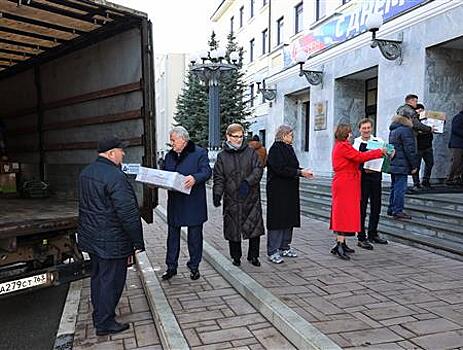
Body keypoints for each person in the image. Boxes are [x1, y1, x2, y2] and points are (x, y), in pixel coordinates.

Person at [77, 137, 145, 336]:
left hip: (93, 238)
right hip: (112, 240)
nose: (123, 154)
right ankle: (105, 322)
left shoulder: (86, 172)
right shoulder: (115, 176)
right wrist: (137, 241)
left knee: (98, 277)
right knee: (111, 281)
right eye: (121, 151)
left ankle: (100, 315)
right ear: (111, 153)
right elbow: (128, 213)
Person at [161, 126, 212, 281]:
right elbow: (164, 173)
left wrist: (195, 178)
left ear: (183, 139)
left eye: (173, 140)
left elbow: (207, 172)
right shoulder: (169, 156)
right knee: (172, 237)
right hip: (175, 202)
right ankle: (171, 267)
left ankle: (194, 267)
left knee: (195, 237)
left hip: (193, 202)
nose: (171, 143)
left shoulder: (199, 153)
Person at [213, 124, 265, 267]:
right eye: (235, 136)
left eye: (241, 136)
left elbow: (258, 169)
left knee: (254, 228)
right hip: (232, 198)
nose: (239, 139)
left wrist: (248, 183)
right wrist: (217, 194)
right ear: (228, 137)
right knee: (233, 229)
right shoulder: (222, 156)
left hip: (251, 197)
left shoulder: (251, 153)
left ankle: (253, 256)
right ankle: (236, 257)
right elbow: (219, 177)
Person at [330, 124, 385, 260]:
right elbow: (359, 157)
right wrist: (379, 152)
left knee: (345, 212)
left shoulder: (341, 145)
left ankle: (342, 243)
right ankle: (339, 244)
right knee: (343, 213)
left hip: (347, 182)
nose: (351, 135)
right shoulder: (343, 146)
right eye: (349, 133)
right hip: (345, 182)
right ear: (345, 134)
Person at [266, 125, 313, 264]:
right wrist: (299, 173)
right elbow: (280, 169)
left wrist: (303, 172)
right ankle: (273, 250)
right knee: (277, 220)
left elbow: (291, 167)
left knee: (288, 219)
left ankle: (285, 247)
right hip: (278, 191)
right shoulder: (275, 149)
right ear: (284, 135)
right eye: (290, 135)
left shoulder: (289, 148)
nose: (292, 137)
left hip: (290, 190)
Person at [353, 118, 388, 250]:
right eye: (364, 128)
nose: (366, 130)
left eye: (368, 128)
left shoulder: (378, 141)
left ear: (371, 128)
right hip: (362, 178)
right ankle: (361, 237)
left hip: (376, 176)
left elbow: (386, 159)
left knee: (376, 205)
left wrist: (390, 153)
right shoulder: (356, 143)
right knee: (361, 207)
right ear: (360, 129)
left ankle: (373, 233)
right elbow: (354, 160)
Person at [388, 115, 419, 220]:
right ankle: (398, 210)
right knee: (400, 188)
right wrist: (414, 165)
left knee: (394, 187)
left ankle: (391, 208)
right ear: (407, 120)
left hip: (394, 163)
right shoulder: (406, 130)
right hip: (402, 164)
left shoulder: (393, 130)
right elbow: (409, 150)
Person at [412, 103, 434, 189]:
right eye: (418, 110)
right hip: (418, 147)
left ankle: (426, 181)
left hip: (428, 145)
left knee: (430, 163)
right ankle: (416, 183)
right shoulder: (415, 121)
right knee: (416, 166)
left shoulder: (428, 120)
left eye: (422, 110)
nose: (420, 111)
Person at [446, 109, 463, 186]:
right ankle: (450, 178)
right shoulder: (459, 117)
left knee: (460, 163)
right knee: (456, 162)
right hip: (457, 144)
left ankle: (457, 177)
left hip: (460, 143)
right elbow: (455, 129)